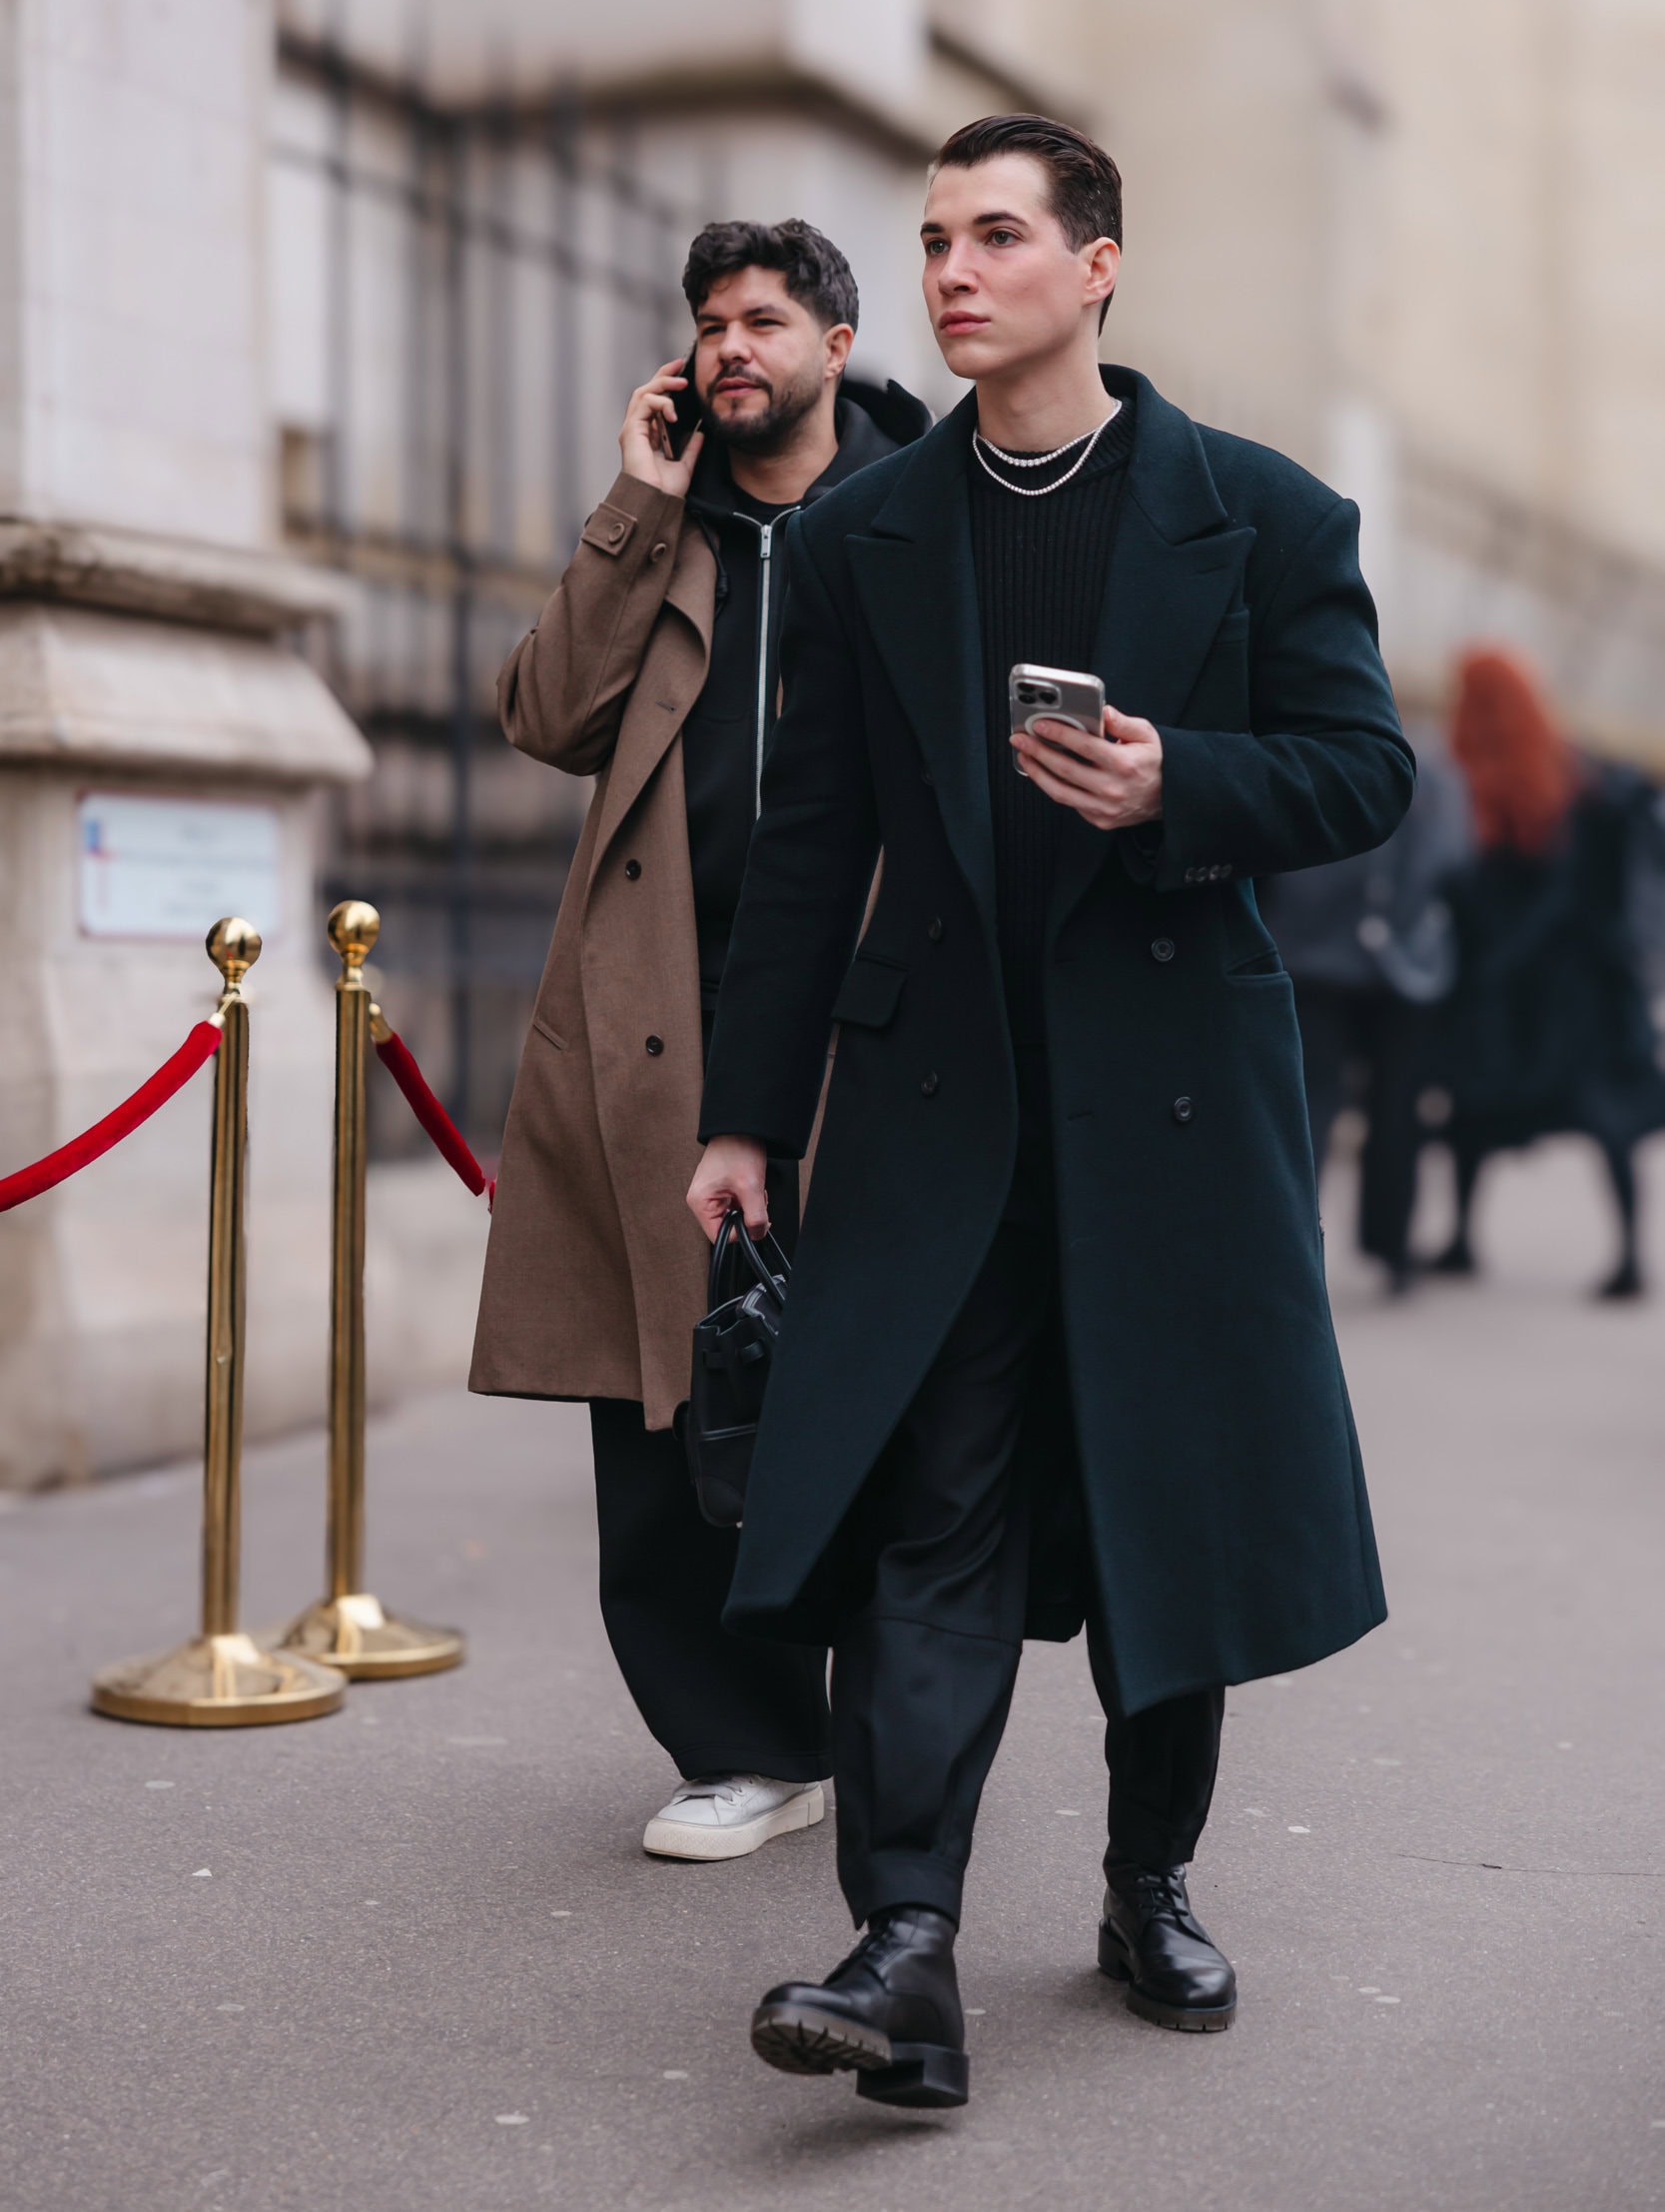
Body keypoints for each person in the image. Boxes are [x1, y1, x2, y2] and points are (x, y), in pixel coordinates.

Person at [686, 114, 1414, 2109]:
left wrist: (1177, 780)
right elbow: (804, 834)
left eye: (994, 233)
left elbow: (1358, 773)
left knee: (1158, 1493)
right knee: (934, 1500)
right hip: (939, 1108)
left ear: (1094, 264)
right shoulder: (862, 530)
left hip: (1169, 1094)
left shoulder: (1253, 512)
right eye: (929, 237)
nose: (950, 268)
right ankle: (901, 1936)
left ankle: (1144, 1873)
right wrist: (747, 1109)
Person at [469, 218, 928, 1859]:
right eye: (709, 325)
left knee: (875, 1376)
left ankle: (888, 1723)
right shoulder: (668, 529)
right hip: (666, 1010)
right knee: (667, 1397)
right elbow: (545, 717)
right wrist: (634, 506)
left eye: (764, 320)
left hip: (869, 1010)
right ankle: (741, 1741)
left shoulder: (923, 509)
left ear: (834, 338)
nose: (733, 347)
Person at [1430, 647, 1665, 1299]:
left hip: (1521, 987)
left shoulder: (1472, 779)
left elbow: (1465, 886)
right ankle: (1627, 1258)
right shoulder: (1577, 775)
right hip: (1573, 983)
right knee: (1599, 1118)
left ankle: (1460, 1240)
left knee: (1476, 1110)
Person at [1260, 735, 1471, 1291]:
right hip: (1399, 962)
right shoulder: (1435, 766)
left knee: (1315, 1106)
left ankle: (1293, 1245)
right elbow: (1452, 858)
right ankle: (1390, 1248)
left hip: (1320, 954)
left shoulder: (1306, 752)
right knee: (1390, 1107)